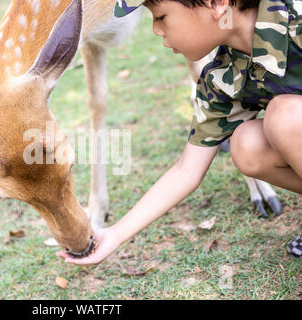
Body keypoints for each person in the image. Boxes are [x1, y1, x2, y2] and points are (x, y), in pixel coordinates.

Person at [57, 0, 302, 264]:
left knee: (284, 118)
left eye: (161, 17)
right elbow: (186, 170)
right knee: (246, 145)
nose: (155, 30)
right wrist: (115, 235)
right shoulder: (222, 79)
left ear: (217, 4)